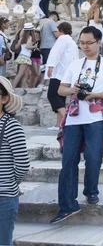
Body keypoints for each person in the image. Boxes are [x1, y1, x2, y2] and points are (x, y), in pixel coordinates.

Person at [51, 26, 103, 224]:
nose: (85, 47)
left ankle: (91, 190)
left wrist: (94, 95)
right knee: (68, 162)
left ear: (99, 42)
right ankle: (67, 205)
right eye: (82, 43)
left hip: (96, 118)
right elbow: (60, 90)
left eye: (89, 43)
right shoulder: (75, 65)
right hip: (73, 118)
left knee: (93, 158)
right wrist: (72, 89)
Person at [0, 77, 29, 246]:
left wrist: (10, 183)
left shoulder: (11, 126)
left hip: (4, 197)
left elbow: (23, 163)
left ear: (4, 99)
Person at [46, 22, 78, 130]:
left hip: (59, 72)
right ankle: (58, 124)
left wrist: (51, 66)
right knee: (61, 97)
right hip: (68, 73)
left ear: (60, 30)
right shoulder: (72, 42)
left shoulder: (62, 39)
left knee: (52, 95)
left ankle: (66, 119)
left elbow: (56, 53)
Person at [12, 23, 36, 89]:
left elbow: (16, 47)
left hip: (22, 55)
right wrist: (34, 46)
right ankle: (12, 87)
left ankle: (22, 88)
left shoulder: (22, 37)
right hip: (26, 56)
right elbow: (28, 46)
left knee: (25, 73)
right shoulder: (30, 37)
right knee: (21, 73)